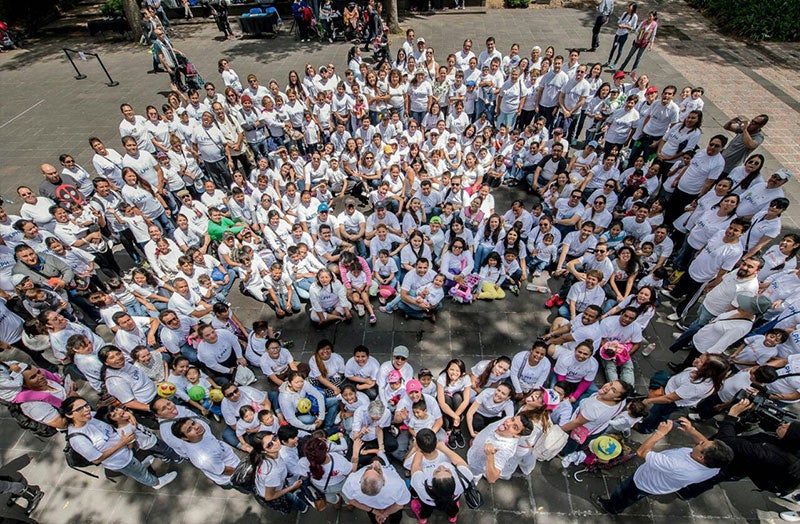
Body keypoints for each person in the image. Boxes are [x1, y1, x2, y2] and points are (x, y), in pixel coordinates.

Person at [592, 418, 734, 514]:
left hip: (643, 482)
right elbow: (705, 443)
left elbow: (642, 452)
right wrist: (691, 430)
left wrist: (659, 433)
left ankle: (611, 507)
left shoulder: (678, 466)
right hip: (658, 482)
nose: (701, 441)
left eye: (702, 444)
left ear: (701, 457)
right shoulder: (715, 466)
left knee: (624, 493)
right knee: (633, 494)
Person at [61, 397, 178, 489]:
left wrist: (129, 416)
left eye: (86, 405)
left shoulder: (90, 415)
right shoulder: (78, 440)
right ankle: (156, 482)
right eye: (79, 409)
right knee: (140, 473)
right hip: (121, 460)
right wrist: (122, 443)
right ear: (69, 414)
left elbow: (110, 417)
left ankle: (143, 465)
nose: (86, 409)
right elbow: (96, 459)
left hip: (128, 448)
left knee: (138, 465)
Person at [342, 453, 411, 524]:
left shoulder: (351, 482)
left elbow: (352, 501)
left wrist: (374, 511)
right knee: (395, 519)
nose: (374, 464)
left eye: (369, 468)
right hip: (391, 506)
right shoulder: (397, 484)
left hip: (370, 507)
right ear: (383, 481)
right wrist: (385, 514)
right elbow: (399, 505)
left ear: (360, 480)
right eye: (377, 470)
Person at [466, 414, 534, 484]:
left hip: (473, 468)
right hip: (472, 452)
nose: (508, 423)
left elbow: (492, 479)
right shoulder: (506, 420)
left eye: (514, 427)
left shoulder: (506, 449)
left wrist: (490, 455)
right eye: (512, 419)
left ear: (517, 435)